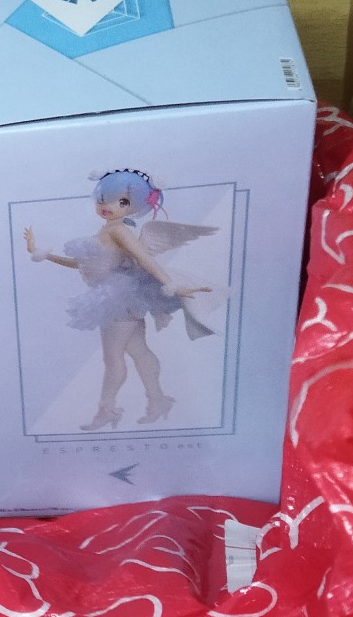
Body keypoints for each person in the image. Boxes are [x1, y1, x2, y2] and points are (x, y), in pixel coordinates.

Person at [24, 168, 217, 430]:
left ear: (135, 206)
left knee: (113, 358)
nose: (109, 206)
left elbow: (145, 259)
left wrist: (171, 284)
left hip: (118, 300)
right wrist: (43, 254)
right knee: (139, 351)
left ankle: (107, 410)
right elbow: (81, 263)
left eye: (122, 202)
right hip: (118, 299)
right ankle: (158, 401)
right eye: (103, 198)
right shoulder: (109, 230)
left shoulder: (119, 231)